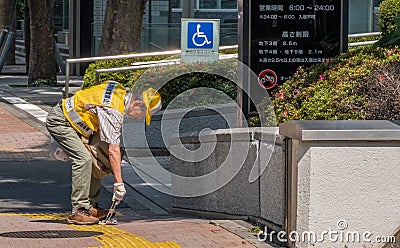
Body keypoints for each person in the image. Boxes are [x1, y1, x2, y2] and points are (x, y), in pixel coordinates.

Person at [46, 81, 161, 225]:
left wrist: (86, 140)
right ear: (137, 103)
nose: (140, 118)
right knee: (83, 159)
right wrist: (119, 183)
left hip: (77, 122)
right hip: (61, 121)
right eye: (143, 114)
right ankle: (78, 210)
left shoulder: (119, 89)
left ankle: (91, 207)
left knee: (98, 157)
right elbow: (113, 150)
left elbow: (90, 103)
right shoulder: (113, 110)